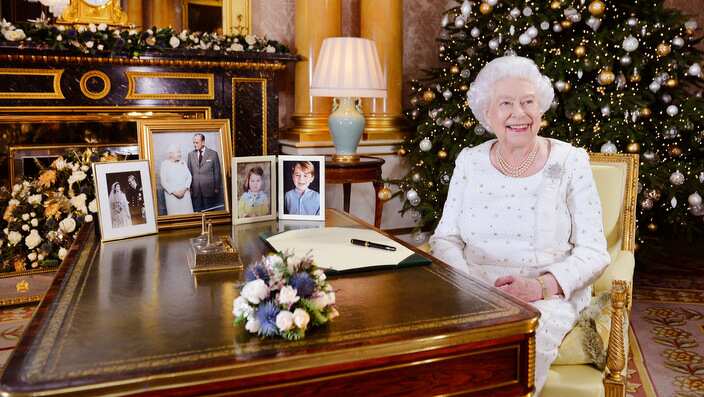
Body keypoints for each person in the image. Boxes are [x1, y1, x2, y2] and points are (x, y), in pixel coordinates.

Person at [429, 55, 610, 396]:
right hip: (473, 289)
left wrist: (541, 286)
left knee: (514, 350)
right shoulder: (470, 161)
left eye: (528, 102)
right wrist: (468, 286)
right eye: (506, 104)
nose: (519, 114)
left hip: (544, 298)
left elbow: (594, 251)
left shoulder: (570, 161)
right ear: (487, 114)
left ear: (540, 109)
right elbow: (446, 238)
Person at [187, 133, 222, 212]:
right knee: (197, 212)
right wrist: (190, 188)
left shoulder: (213, 154)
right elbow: (189, 173)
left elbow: (217, 172)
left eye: (197, 142)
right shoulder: (190, 155)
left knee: (209, 211)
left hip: (209, 189)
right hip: (195, 190)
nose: (195, 145)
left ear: (203, 142)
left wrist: (216, 187)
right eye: (194, 143)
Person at [160, 144, 194, 215]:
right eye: (178, 152)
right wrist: (175, 193)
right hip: (172, 197)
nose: (180, 154)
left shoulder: (183, 162)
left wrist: (184, 189)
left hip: (185, 195)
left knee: (188, 216)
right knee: (175, 217)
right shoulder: (164, 164)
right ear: (171, 154)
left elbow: (189, 177)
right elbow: (163, 182)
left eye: (180, 152)